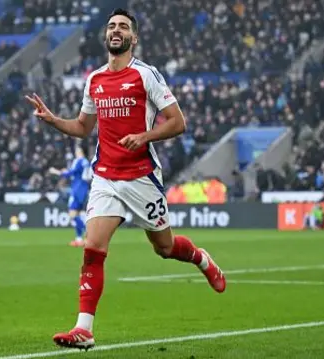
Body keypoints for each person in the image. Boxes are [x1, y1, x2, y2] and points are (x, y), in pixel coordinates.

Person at [25, 8, 226, 350]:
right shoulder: (95, 80)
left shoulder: (146, 75)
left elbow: (178, 122)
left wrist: (144, 137)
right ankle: (84, 329)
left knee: (164, 248)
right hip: (105, 175)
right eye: (112, 26)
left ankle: (200, 258)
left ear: (134, 38)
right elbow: (83, 127)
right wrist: (53, 119)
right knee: (92, 248)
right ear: (106, 36)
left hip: (140, 177)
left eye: (123, 27)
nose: (116, 30)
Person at [48, 147, 92, 247]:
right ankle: (79, 239)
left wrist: (55, 171)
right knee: (77, 214)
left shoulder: (79, 161)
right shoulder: (86, 162)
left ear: (80, 152)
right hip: (84, 190)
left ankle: (89, 233)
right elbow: (81, 174)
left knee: (72, 215)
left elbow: (69, 174)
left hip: (76, 190)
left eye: (77, 150)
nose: (75, 152)